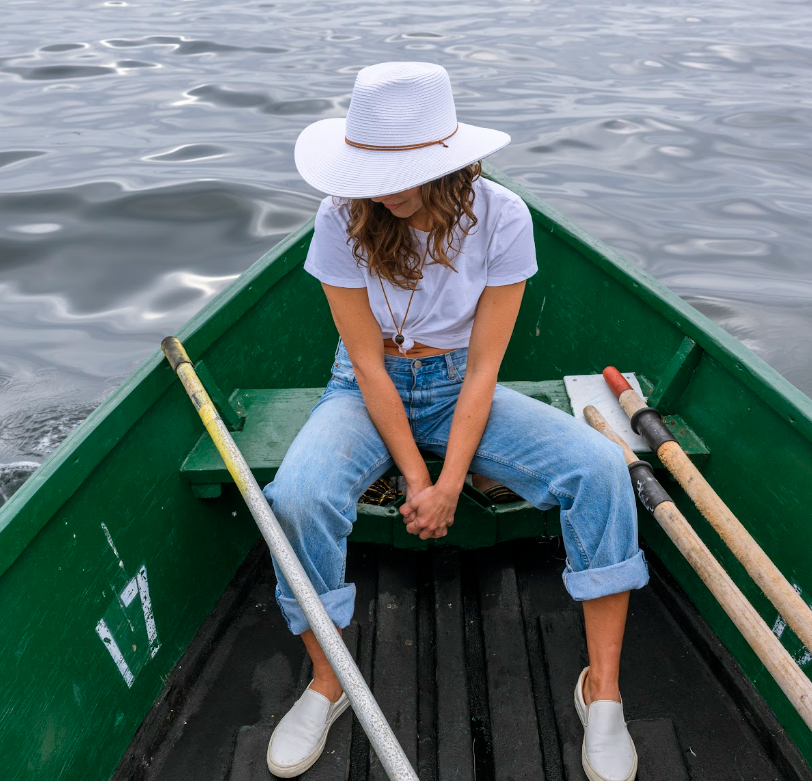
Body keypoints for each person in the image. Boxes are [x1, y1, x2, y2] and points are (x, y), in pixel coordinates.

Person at [262, 61, 649, 781]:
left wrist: (449, 484)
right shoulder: (340, 218)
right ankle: (327, 677)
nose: (389, 189)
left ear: (450, 163)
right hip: (363, 388)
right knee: (296, 497)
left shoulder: (504, 218)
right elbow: (369, 367)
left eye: (407, 170)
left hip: (456, 384)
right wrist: (417, 475)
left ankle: (603, 688)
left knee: (601, 470)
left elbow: (481, 372)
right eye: (374, 170)